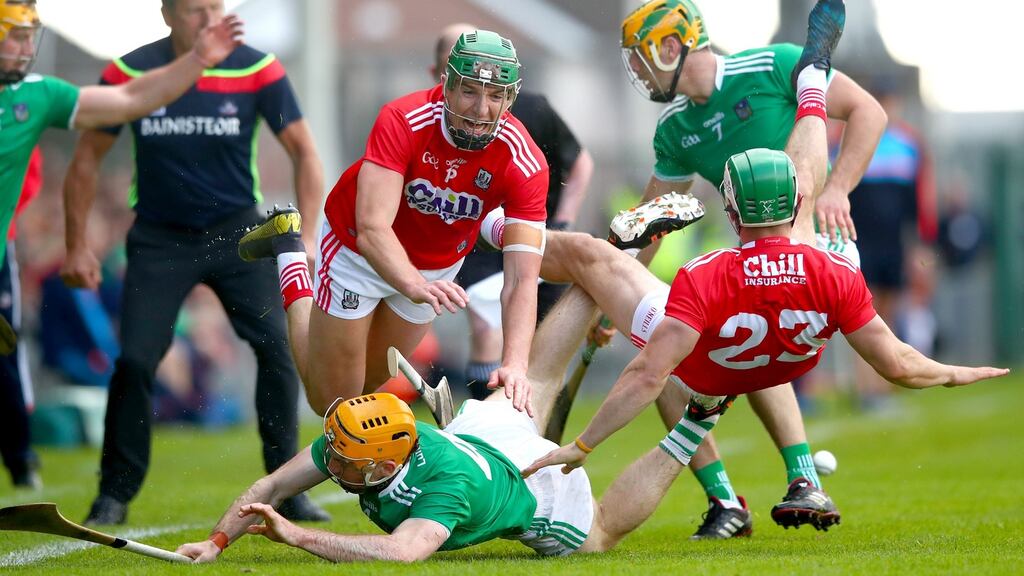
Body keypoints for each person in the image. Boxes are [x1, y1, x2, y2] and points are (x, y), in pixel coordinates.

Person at [175, 201, 706, 563]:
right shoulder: (360, 434)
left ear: (384, 465)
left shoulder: (441, 495)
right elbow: (269, 486)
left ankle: (700, 419)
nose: (330, 468)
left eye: (342, 463)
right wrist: (218, 539)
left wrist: (296, 534)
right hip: (478, 434)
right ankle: (617, 253)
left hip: (528, 480)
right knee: (543, 374)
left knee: (599, 533)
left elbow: (403, 552)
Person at [601, 0, 887, 536]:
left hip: (820, 248)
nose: (637, 72)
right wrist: (610, 294)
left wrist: (841, 188)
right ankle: (726, 502)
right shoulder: (674, 130)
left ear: (670, 46)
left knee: (753, 318)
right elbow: (653, 219)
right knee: (660, 345)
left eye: (641, 59)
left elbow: (870, 111)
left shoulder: (773, 65)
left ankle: (803, 476)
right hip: (751, 262)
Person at [59, 0, 326, 525]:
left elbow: (306, 153)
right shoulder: (129, 72)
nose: (206, 22)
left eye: (213, 8)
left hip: (239, 234)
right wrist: (76, 246)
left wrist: (310, 236)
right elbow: (85, 159)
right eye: (192, 11)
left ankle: (289, 489)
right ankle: (113, 494)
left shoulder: (256, 68)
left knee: (278, 347)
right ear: (166, 14)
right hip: (159, 240)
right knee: (135, 360)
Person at [238, 30, 547, 417]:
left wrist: (516, 363)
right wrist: (412, 284)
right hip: (358, 251)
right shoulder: (403, 119)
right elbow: (371, 228)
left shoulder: (525, 161)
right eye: (469, 91)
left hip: (434, 270)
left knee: (364, 388)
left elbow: (520, 279)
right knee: (331, 402)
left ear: (510, 98)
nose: (481, 109)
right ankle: (290, 254)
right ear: (446, 86)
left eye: (496, 96)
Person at [0, 0, 239, 484]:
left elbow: (129, 101)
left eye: (31, 36)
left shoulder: (38, 95)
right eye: (16, 35)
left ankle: (21, 455)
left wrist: (197, 61)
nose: (28, 47)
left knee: (6, 362)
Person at [431, 23, 594, 399]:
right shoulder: (426, 120)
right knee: (488, 328)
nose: (478, 99)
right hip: (475, 242)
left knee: (540, 349)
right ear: (443, 77)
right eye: (466, 83)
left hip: (534, 233)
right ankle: (483, 423)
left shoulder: (533, 111)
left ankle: (529, 421)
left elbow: (580, 162)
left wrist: (564, 223)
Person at [845, 83, 937, 410]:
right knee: (863, 315)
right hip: (858, 242)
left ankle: (885, 388)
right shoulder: (852, 141)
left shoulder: (909, 145)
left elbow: (920, 200)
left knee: (889, 313)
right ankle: (866, 390)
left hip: (894, 244)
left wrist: (922, 244)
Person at [0, 146, 41, 490]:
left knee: (5, 347)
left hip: (1, 242)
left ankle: (20, 457)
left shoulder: (18, 104)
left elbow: (28, 173)